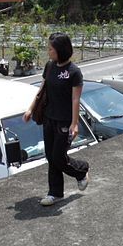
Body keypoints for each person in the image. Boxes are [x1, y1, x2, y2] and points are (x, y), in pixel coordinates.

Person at [23, 32, 90, 206]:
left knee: (58, 157)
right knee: (50, 157)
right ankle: (55, 193)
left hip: (64, 121)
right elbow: (42, 89)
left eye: (51, 49)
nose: (48, 52)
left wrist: (74, 124)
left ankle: (81, 171)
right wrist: (30, 109)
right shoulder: (50, 66)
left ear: (60, 50)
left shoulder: (74, 72)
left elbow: (76, 99)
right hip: (48, 118)